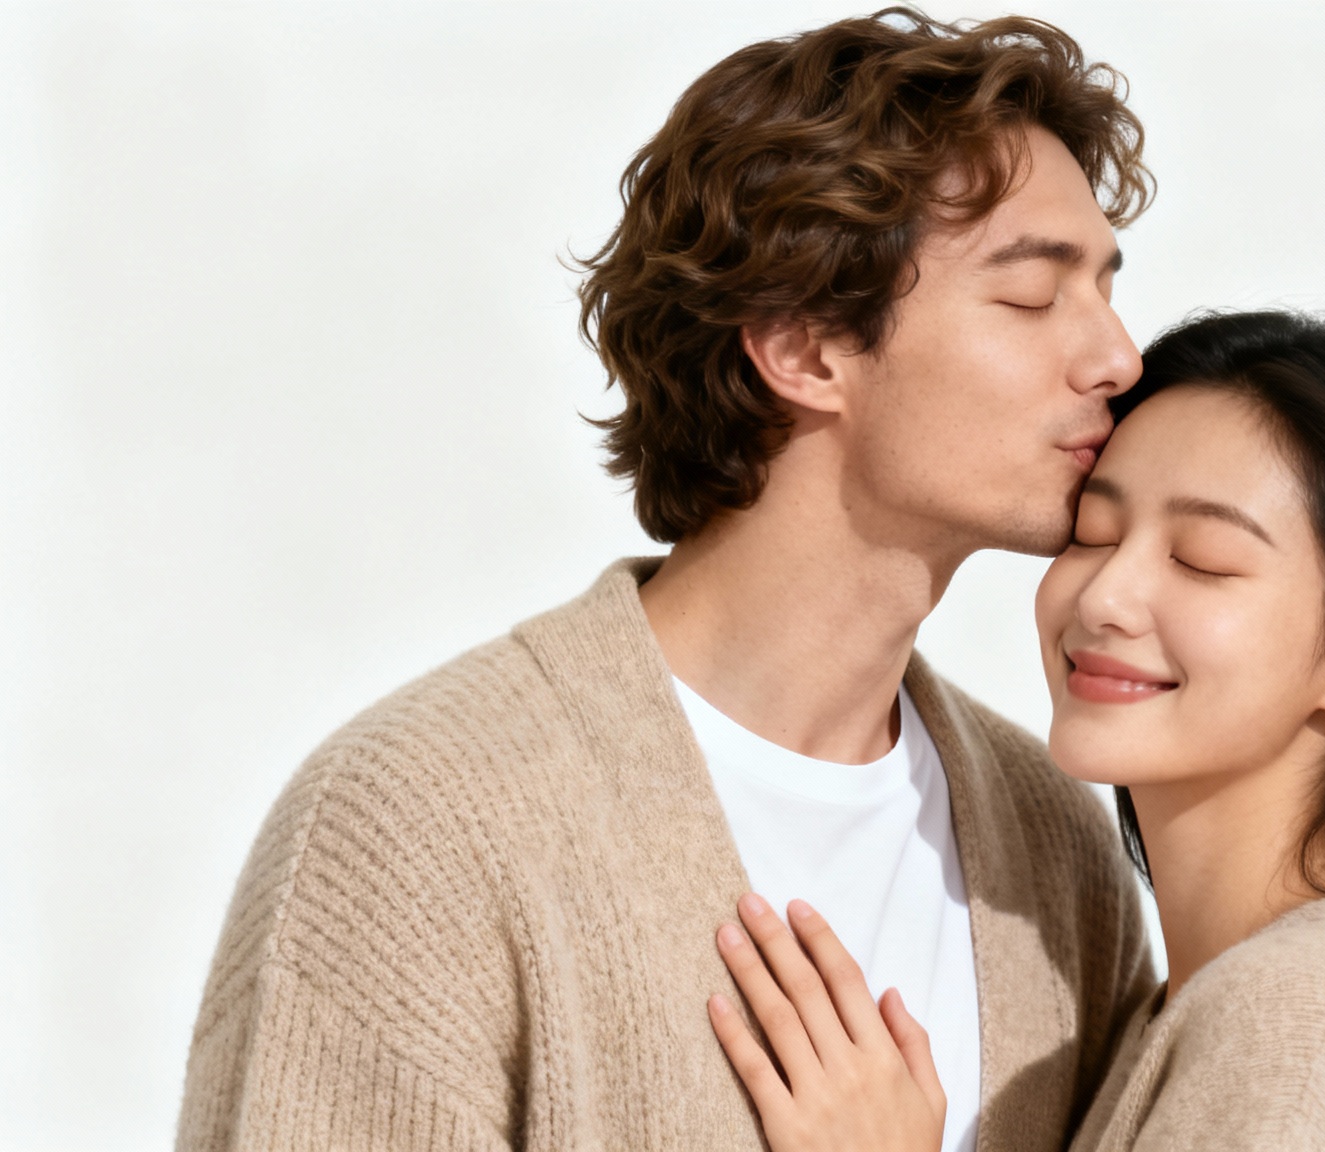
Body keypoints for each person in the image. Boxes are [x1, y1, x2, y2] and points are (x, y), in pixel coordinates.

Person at [174, 10, 1162, 1150]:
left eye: (1104, 287)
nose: (1118, 358)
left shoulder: (1052, 851)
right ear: (799, 346)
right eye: (1033, 296)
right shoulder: (419, 830)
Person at [706, 310, 1325, 1151]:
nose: (1109, 596)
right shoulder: (1230, 1003)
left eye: (1203, 561)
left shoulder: (1310, 1022)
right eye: (1092, 533)